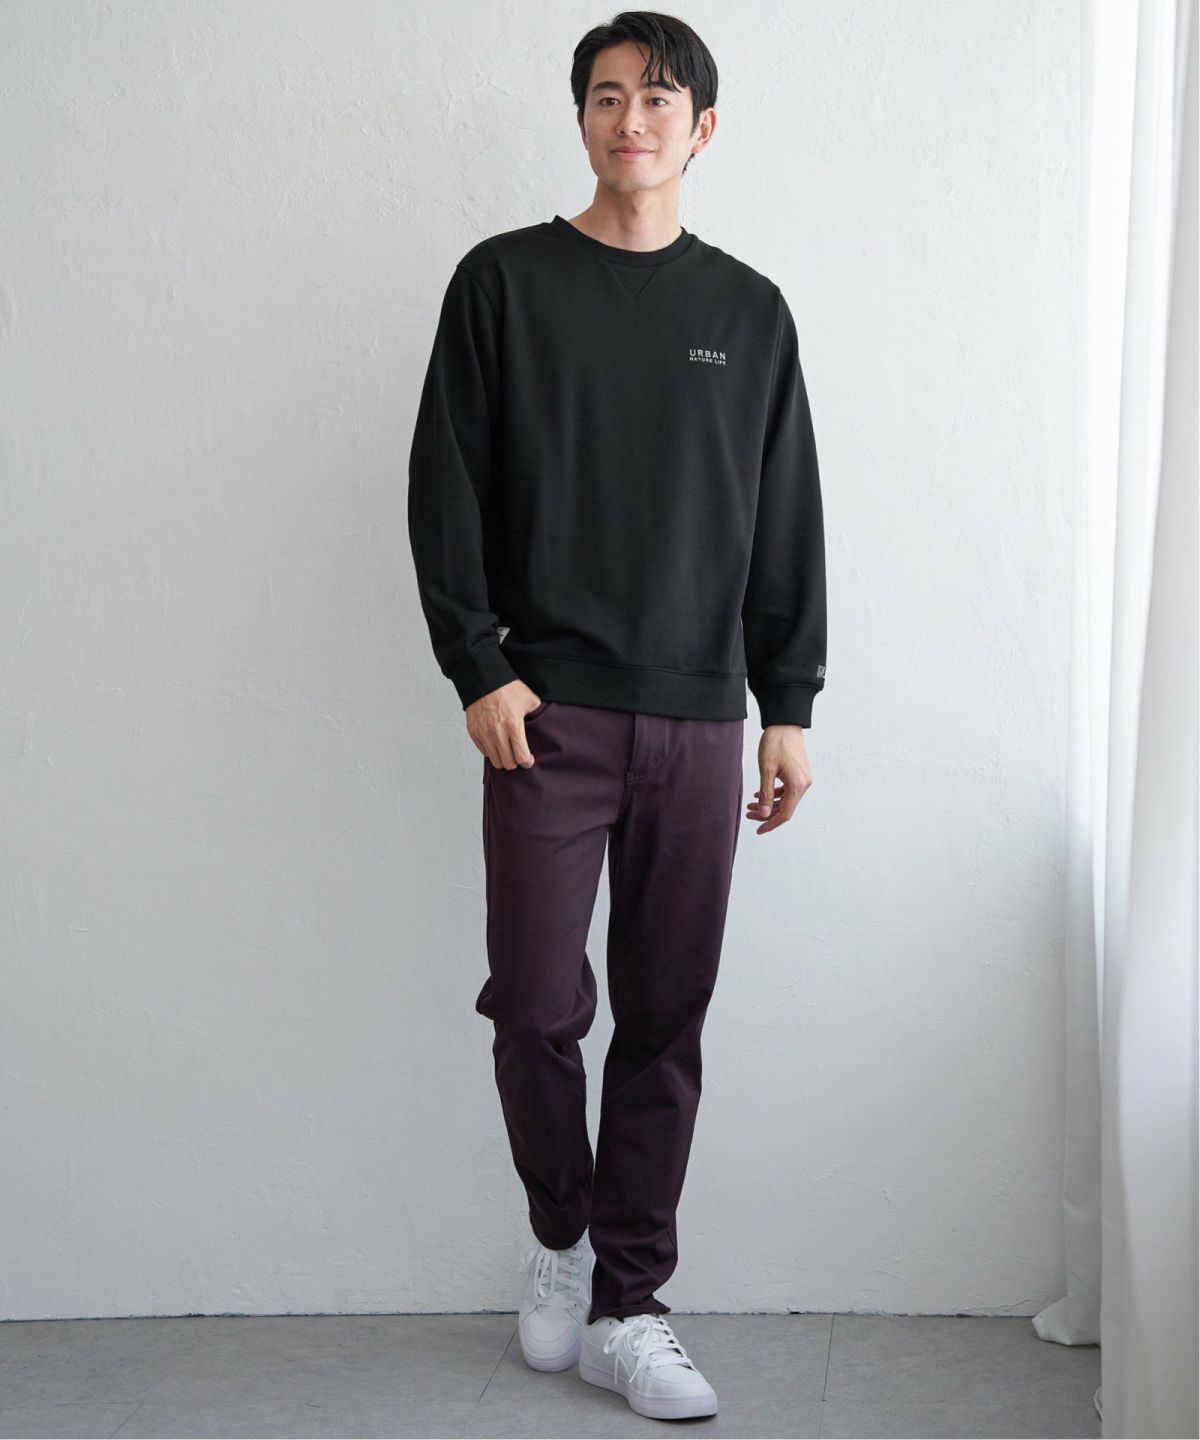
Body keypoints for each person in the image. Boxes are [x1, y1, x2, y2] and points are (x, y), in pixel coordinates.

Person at [407, 9, 827, 1423]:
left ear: (702, 129)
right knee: (535, 1005)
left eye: (657, 98)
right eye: (604, 96)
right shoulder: (503, 285)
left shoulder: (750, 313)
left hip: (701, 720)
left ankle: (631, 1303)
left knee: (664, 1017)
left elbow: (785, 518)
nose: (628, 119)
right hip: (546, 715)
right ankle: (562, 1236)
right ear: (579, 118)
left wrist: (788, 704)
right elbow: (445, 485)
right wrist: (478, 665)